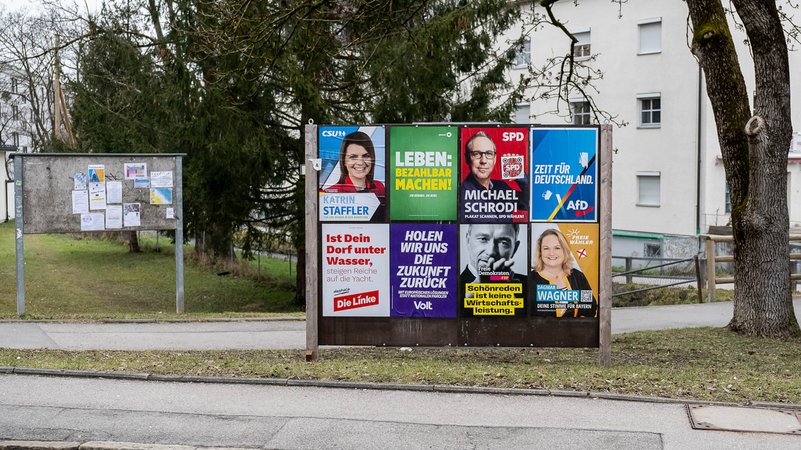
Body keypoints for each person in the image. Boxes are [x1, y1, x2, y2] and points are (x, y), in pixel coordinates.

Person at [460, 223, 527, 317]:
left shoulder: (530, 287)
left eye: (503, 243)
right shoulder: (449, 288)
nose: (491, 251)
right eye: (483, 239)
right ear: (468, 240)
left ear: (514, 249)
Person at [459, 131, 527, 222]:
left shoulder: (502, 187)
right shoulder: (459, 195)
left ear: (494, 159)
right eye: (476, 154)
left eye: (489, 154)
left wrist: (519, 173)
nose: (483, 161)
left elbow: (529, 203)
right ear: (467, 159)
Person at [531, 228, 596, 318]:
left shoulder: (578, 276)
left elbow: (590, 308)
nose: (551, 253)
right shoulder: (530, 280)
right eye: (546, 248)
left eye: (557, 248)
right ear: (540, 252)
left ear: (564, 250)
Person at [324, 131, 385, 196]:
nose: (360, 163)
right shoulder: (330, 193)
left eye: (366, 156)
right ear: (344, 161)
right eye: (353, 157)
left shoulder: (380, 187)